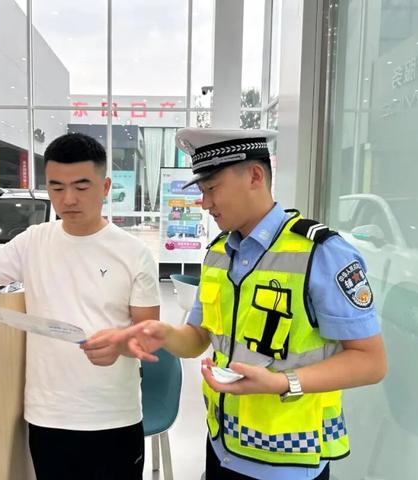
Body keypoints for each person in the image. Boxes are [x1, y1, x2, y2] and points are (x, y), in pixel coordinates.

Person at [85, 128, 387, 480]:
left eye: (212, 189)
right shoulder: (218, 253)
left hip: (288, 462)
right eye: (202, 191)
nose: (205, 203)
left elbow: (371, 362)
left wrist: (282, 382)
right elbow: (198, 338)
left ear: (255, 176)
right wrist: (162, 333)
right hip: (222, 446)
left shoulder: (320, 253)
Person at [0, 132, 160, 480]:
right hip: (48, 415)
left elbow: (149, 335)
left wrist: (121, 344)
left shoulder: (134, 253)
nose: (68, 199)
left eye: (81, 186)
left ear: (105, 187)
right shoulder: (33, 242)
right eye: (56, 187)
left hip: (113, 415)